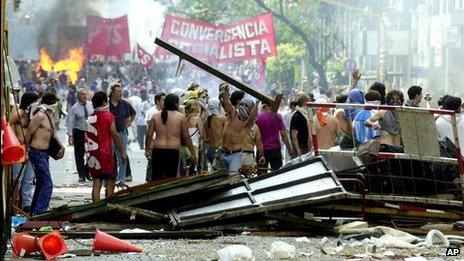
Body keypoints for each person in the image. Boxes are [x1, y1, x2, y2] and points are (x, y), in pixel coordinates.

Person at [26, 92, 65, 216]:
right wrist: (26, 151)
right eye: (54, 102)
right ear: (49, 103)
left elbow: (52, 133)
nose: (55, 105)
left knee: (41, 183)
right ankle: (40, 213)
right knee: (47, 184)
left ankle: (34, 213)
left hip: (44, 154)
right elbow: (29, 132)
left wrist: (62, 146)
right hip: (37, 153)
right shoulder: (40, 115)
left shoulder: (49, 115)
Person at [86, 92, 127, 202]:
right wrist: (122, 152)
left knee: (96, 183)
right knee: (110, 183)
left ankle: (95, 208)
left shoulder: (89, 118)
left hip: (93, 155)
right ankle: (108, 208)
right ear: (104, 102)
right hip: (107, 154)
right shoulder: (108, 116)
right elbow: (115, 135)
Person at [145, 94, 197, 181]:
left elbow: (149, 135)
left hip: (158, 150)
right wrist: (193, 153)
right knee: (170, 179)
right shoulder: (181, 117)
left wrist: (147, 150)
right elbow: (186, 137)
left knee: (156, 179)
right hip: (173, 151)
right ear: (176, 104)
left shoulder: (155, 116)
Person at [214, 83, 259, 174]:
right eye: (241, 104)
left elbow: (252, 116)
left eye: (246, 105)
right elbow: (226, 102)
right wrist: (225, 92)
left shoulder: (247, 124)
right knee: (217, 179)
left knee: (233, 179)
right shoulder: (233, 114)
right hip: (222, 152)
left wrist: (257, 102)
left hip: (235, 155)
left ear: (250, 109)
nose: (242, 107)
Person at [9, 91, 40, 213]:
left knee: (28, 179)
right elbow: (7, 124)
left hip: (31, 149)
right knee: (17, 178)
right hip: (19, 149)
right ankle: (15, 203)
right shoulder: (19, 113)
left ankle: (26, 204)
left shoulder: (34, 115)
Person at [108, 83, 135, 185]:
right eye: (118, 91)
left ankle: (121, 180)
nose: (121, 93)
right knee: (109, 157)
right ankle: (109, 179)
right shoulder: (107, 104)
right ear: (113, 93)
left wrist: (129, 122)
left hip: (122, 133)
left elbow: (133, 113)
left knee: (122, 157)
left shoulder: (124, 104)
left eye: (121, 91)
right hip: (109, 135)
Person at [256, 101, 293, 171]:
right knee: (277, 174)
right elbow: (283, 135)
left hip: (262, 151)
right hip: (275, 150)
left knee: (261, 176)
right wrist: (289, 149)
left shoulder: (258, 118)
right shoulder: (277, 116)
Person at [67, 88, 94, 182]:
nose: (84, 96)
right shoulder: (74, 108)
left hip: (90, 132)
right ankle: (81, 174)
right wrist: (70, 136)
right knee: (79, 154)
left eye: (85, 94)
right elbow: (70, 122)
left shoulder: (91, 105)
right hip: (79, 132)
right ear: (78, 96)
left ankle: (87, 171)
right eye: (82, 94)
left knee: (91, 153)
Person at [144, 92, 165, 182]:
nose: (165, 102)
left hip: (164, 141)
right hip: (154, 140)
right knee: (152, 162)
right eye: (163, 100)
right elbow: (149, 130)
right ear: (157, 101)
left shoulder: (167, 111)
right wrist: (149, 145)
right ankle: (149, 181)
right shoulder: (151, 112)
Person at [203, 98, 226, 165]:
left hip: (210, 151)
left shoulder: (206, 120)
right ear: (218, 106)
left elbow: (204, 138)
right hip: (221, 150)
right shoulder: (223, 118)